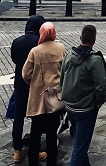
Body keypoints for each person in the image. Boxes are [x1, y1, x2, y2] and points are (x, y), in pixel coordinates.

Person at [60, 25, 106, 166]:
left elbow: (62, 79)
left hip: (70, 106)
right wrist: (97, 103)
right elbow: (102, 87)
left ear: (80, 38)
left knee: (80, 141)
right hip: (86, 109)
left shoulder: (69, 56)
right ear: (94, 40)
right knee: (80, 149)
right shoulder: (95, 60)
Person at [22, 22, 65, 166]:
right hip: (54, 96)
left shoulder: (35, 51)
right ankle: (52, 161)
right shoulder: (60, 48)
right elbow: (65, 70)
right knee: (52, 133)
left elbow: (25, 74)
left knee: (36, 131)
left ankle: (33, 161)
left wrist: (34, 83)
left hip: (38, 96)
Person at [10, 14, 46, 164]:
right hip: (34, 86)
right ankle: (34, 150)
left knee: (18, 117)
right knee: (36, 119)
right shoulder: (40, 43)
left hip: (20, 85)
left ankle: (17, 151)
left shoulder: (16, 42)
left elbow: (14, 59)